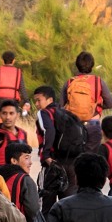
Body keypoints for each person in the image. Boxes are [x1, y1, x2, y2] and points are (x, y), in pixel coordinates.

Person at [33, 86, 80, 214]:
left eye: (39, 100)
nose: (37, 104)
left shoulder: (44, 113)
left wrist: (46, 155)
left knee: (46, 207)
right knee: (69, 207)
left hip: (52, 164)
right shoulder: (66, 113)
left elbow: (49, 130)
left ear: (49, 100)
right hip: (70, 163)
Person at [60, 51, 112, 151]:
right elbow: (110, 104)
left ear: (77, 65)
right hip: (93, 124)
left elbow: (61, 107)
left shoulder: (69, 82)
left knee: (75, 157)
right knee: (91, 159)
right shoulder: (98, 81)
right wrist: (97, 105)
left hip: (73, 125)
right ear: (92, 65)